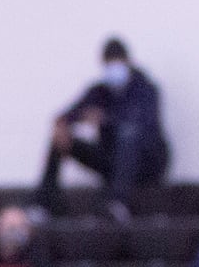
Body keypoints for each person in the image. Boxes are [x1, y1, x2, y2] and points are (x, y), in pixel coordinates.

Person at [35, 37, 169, 222]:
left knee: (127, 135)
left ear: (127, 62)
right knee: (60, 139)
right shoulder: (99, 91)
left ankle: (117, 203)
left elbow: (142, 125)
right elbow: (69, 114)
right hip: (113, 163)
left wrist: (106, 121)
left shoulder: (146, 90)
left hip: (147, 163)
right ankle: (43, 204)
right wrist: (65, 124)